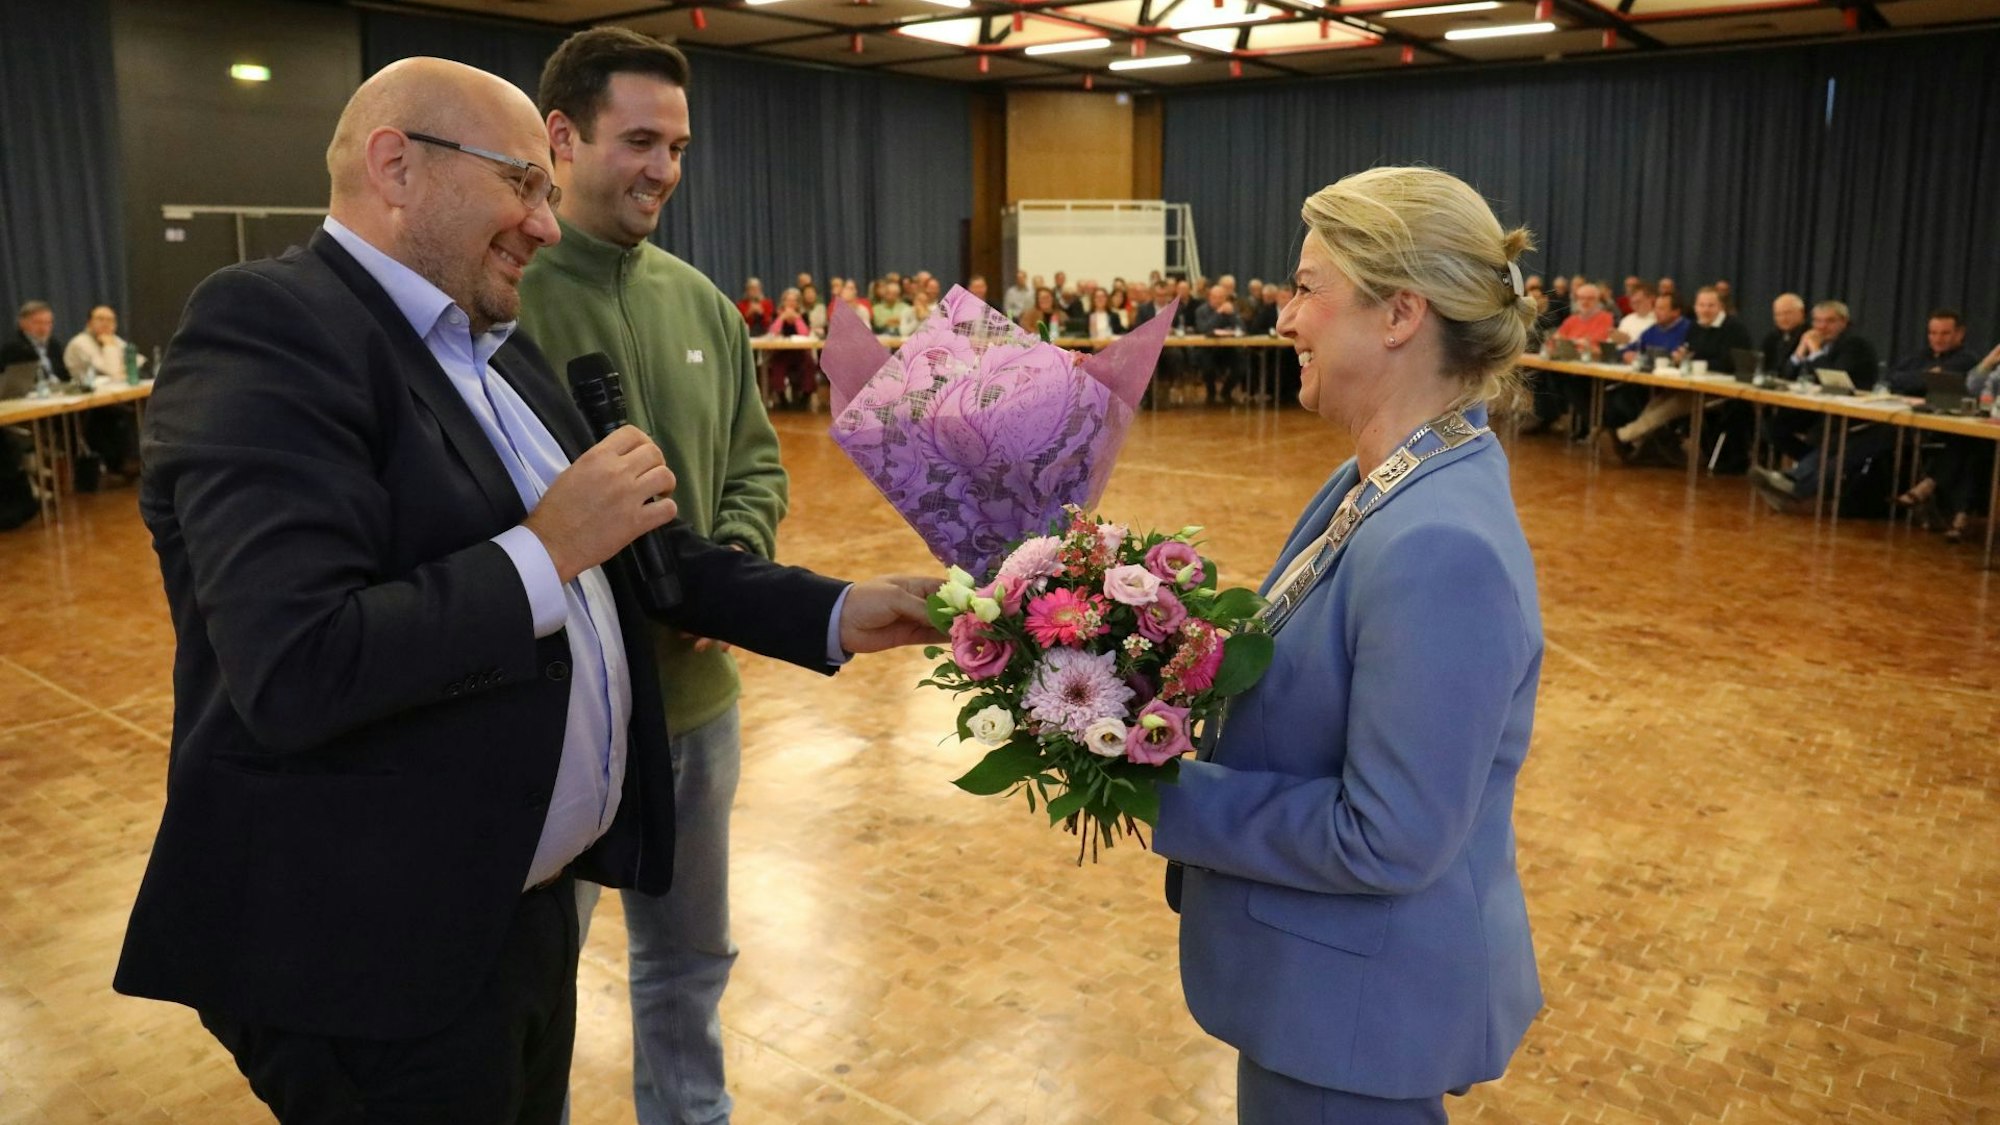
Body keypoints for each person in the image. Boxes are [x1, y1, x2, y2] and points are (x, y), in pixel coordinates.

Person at [111, 56, 938, 1125]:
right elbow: (297, 662)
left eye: (547, 193)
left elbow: (649, 558)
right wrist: (542, 552)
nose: (546, 226)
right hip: (382, 957)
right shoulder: (271, 326)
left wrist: (832, 609)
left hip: (517, 920)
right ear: (395, 165)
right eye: (522, 185)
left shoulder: (494, 351)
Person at [1155, 165, 1542, 1125]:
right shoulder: (1377, 477)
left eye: (1306, 287)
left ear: (1401, 313)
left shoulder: (1439, 540)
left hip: (1354, 1018)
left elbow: (1388, 834)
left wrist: (1163, 790)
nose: (1285, 318)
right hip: (1323, 992)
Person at [518, 28, 824, 1123]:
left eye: (679, 146)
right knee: (535, 978)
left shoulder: (699, 301)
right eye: (640, 140)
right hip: (559, 719)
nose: (663, 169)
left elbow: (756, 460)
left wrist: (733, 562)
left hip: (699, 710)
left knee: (690, 961)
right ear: (561, 137)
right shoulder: (501, 302)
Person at [1753, 300, 1884, 511]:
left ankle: (1795, 479)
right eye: (1818, 321)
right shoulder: (1813, 340)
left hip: (1852, 413)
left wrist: (1814, 351)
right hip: (1819, 408)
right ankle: (1810, 473)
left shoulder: (1855, 344)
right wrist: (1799, 353)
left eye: (1829, 321)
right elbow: (1785, 375)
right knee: (1773, 426)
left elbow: (1833, 379)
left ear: (1844, 322)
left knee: (1831, 440)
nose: (1822, 327)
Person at [1598, 286, 1751, 466]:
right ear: (1695, 307)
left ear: (1720, 307)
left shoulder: (1735, 329)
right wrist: (1681, 358)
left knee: (1675, 403)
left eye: (1711, 305)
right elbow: (1690, 353)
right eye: (1702, 305)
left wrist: (1693, 362)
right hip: (1694, 384)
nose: (1705, 310)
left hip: (1722, 390)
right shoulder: (1696, 327)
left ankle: (1624, 436)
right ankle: (1633, 439)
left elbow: (1731, 363)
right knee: (1660, 399)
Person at [60, 304, 145, 477]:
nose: (106, 324)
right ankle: (124, 461)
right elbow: (112, 370)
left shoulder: (115, 339)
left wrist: (119, 364)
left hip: (111, 399)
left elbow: (137, 362)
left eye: (111, 320)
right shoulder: (80, 343)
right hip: (86, 405)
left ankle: (141, 459)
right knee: (123, 415)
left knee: (145, 405)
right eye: (101, 319)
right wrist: (108, 347)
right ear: (89, 322)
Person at [1194, 283, 1247, 405]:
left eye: (1221, 297)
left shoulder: (1231, 309)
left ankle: (1226, 392)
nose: (1218, 300)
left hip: (1229, 349)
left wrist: (1232, 314)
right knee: (1206, 364)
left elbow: (1242, 329)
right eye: (1215, 297)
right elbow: (1204, 329)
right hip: (1208, 349)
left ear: (1225, 298)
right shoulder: (1201, 311)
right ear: (1210, 297)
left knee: (1241, 364)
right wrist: (1218, 313)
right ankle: (1211, 393)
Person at [1761, 293, 1808, 375]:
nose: (1783, 318)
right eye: (1778, 314)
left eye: (1787, 313)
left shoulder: (1808, 336)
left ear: (1802, 313)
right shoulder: (1772, 337)